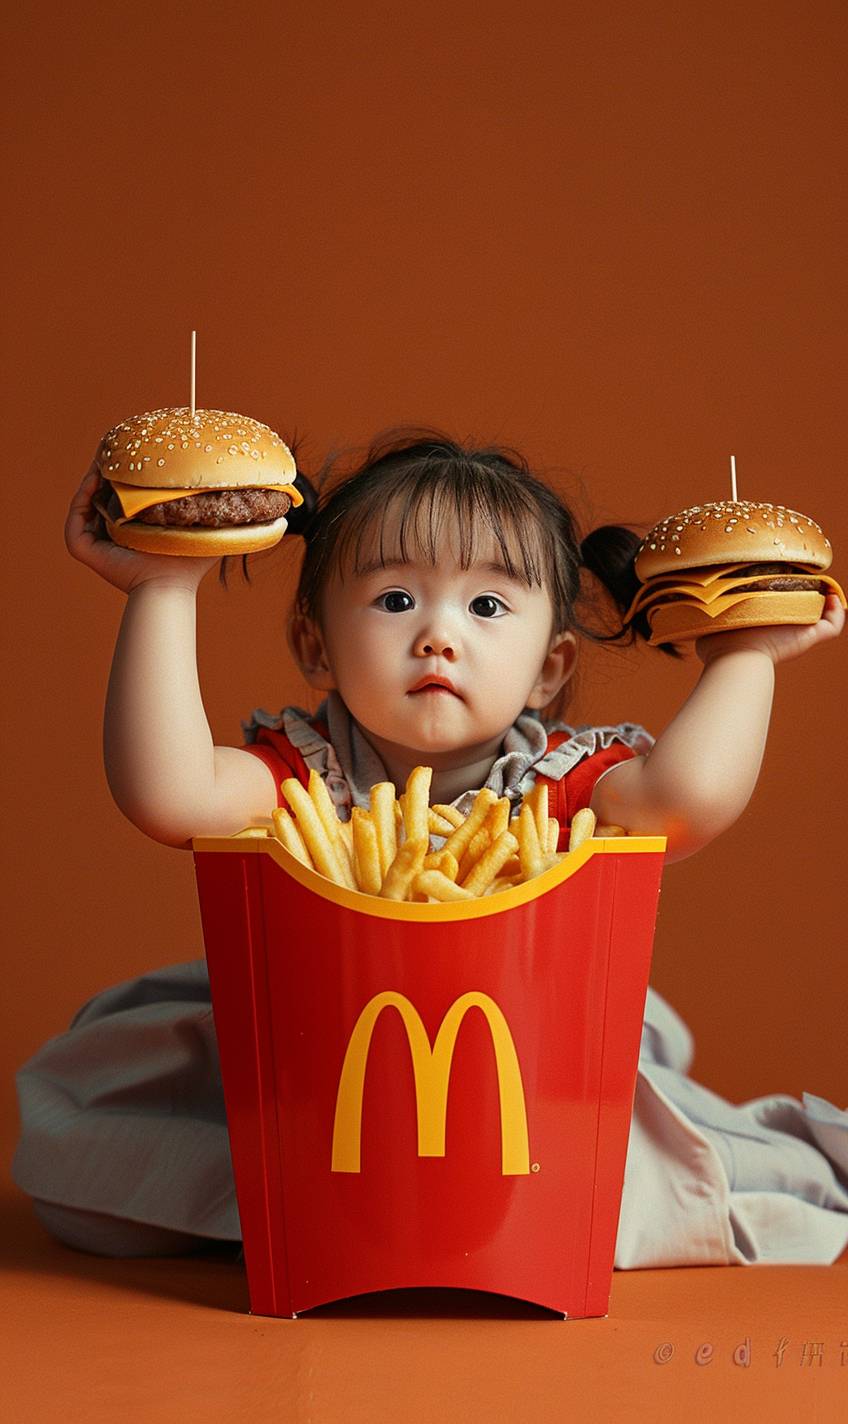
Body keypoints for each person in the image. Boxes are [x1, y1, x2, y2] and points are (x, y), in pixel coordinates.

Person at [13, 427, 848, 1267]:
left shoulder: (563, 781)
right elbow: (167, 793)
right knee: (97, 1172)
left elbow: (686, 800)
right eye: (395, 600)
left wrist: (744, 657)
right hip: (314, 1077)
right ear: (314, 645)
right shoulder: (300, 772)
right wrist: (163, 588)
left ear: (550, 669)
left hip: (525, 1087)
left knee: (649, 1178)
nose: (438, 636)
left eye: (486, 606)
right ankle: (296, 1210)